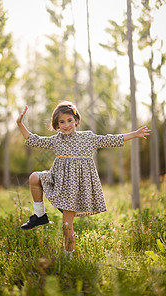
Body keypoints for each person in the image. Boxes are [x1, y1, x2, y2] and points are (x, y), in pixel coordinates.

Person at [16, 101, 151, 257]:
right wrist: (20, 124)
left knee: (67, 226)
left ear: (76, 121)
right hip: (58, 182)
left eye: (69, 120)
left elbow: (110, 139)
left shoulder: (87, 137)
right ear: (57, 125)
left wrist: (134, 134)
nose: (66, 125)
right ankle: (40, 215)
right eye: (62, 122)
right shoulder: (57, 140)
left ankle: (69, 258)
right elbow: (34, 140)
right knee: (34, 177)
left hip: (74, 190)